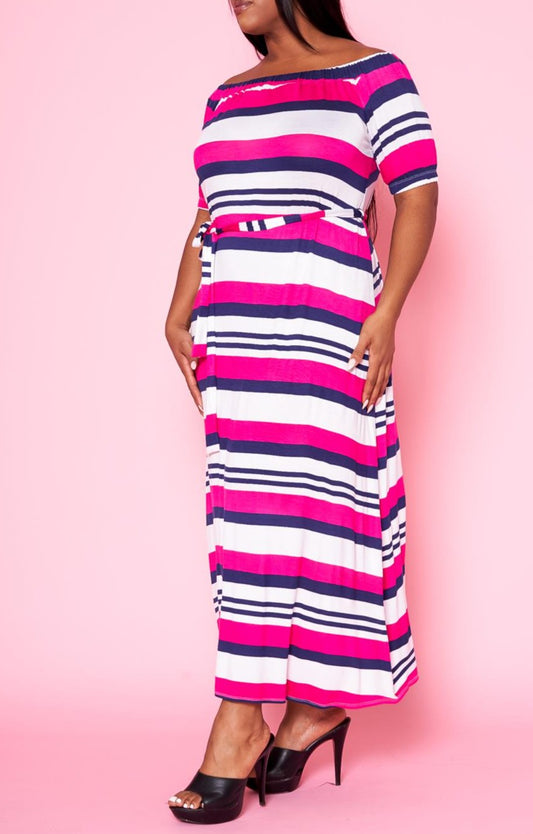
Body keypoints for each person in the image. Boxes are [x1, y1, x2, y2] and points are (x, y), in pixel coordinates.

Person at [165, 0, 438, 824]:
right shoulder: (227, 94)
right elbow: (209, 212)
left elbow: (417, 194)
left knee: (323, 508)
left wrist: (387, 313)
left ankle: (244, 718)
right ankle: (309, 711)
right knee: (246, 519)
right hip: (236, 327)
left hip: (326, 319)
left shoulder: (373, 74)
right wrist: (178, 306)